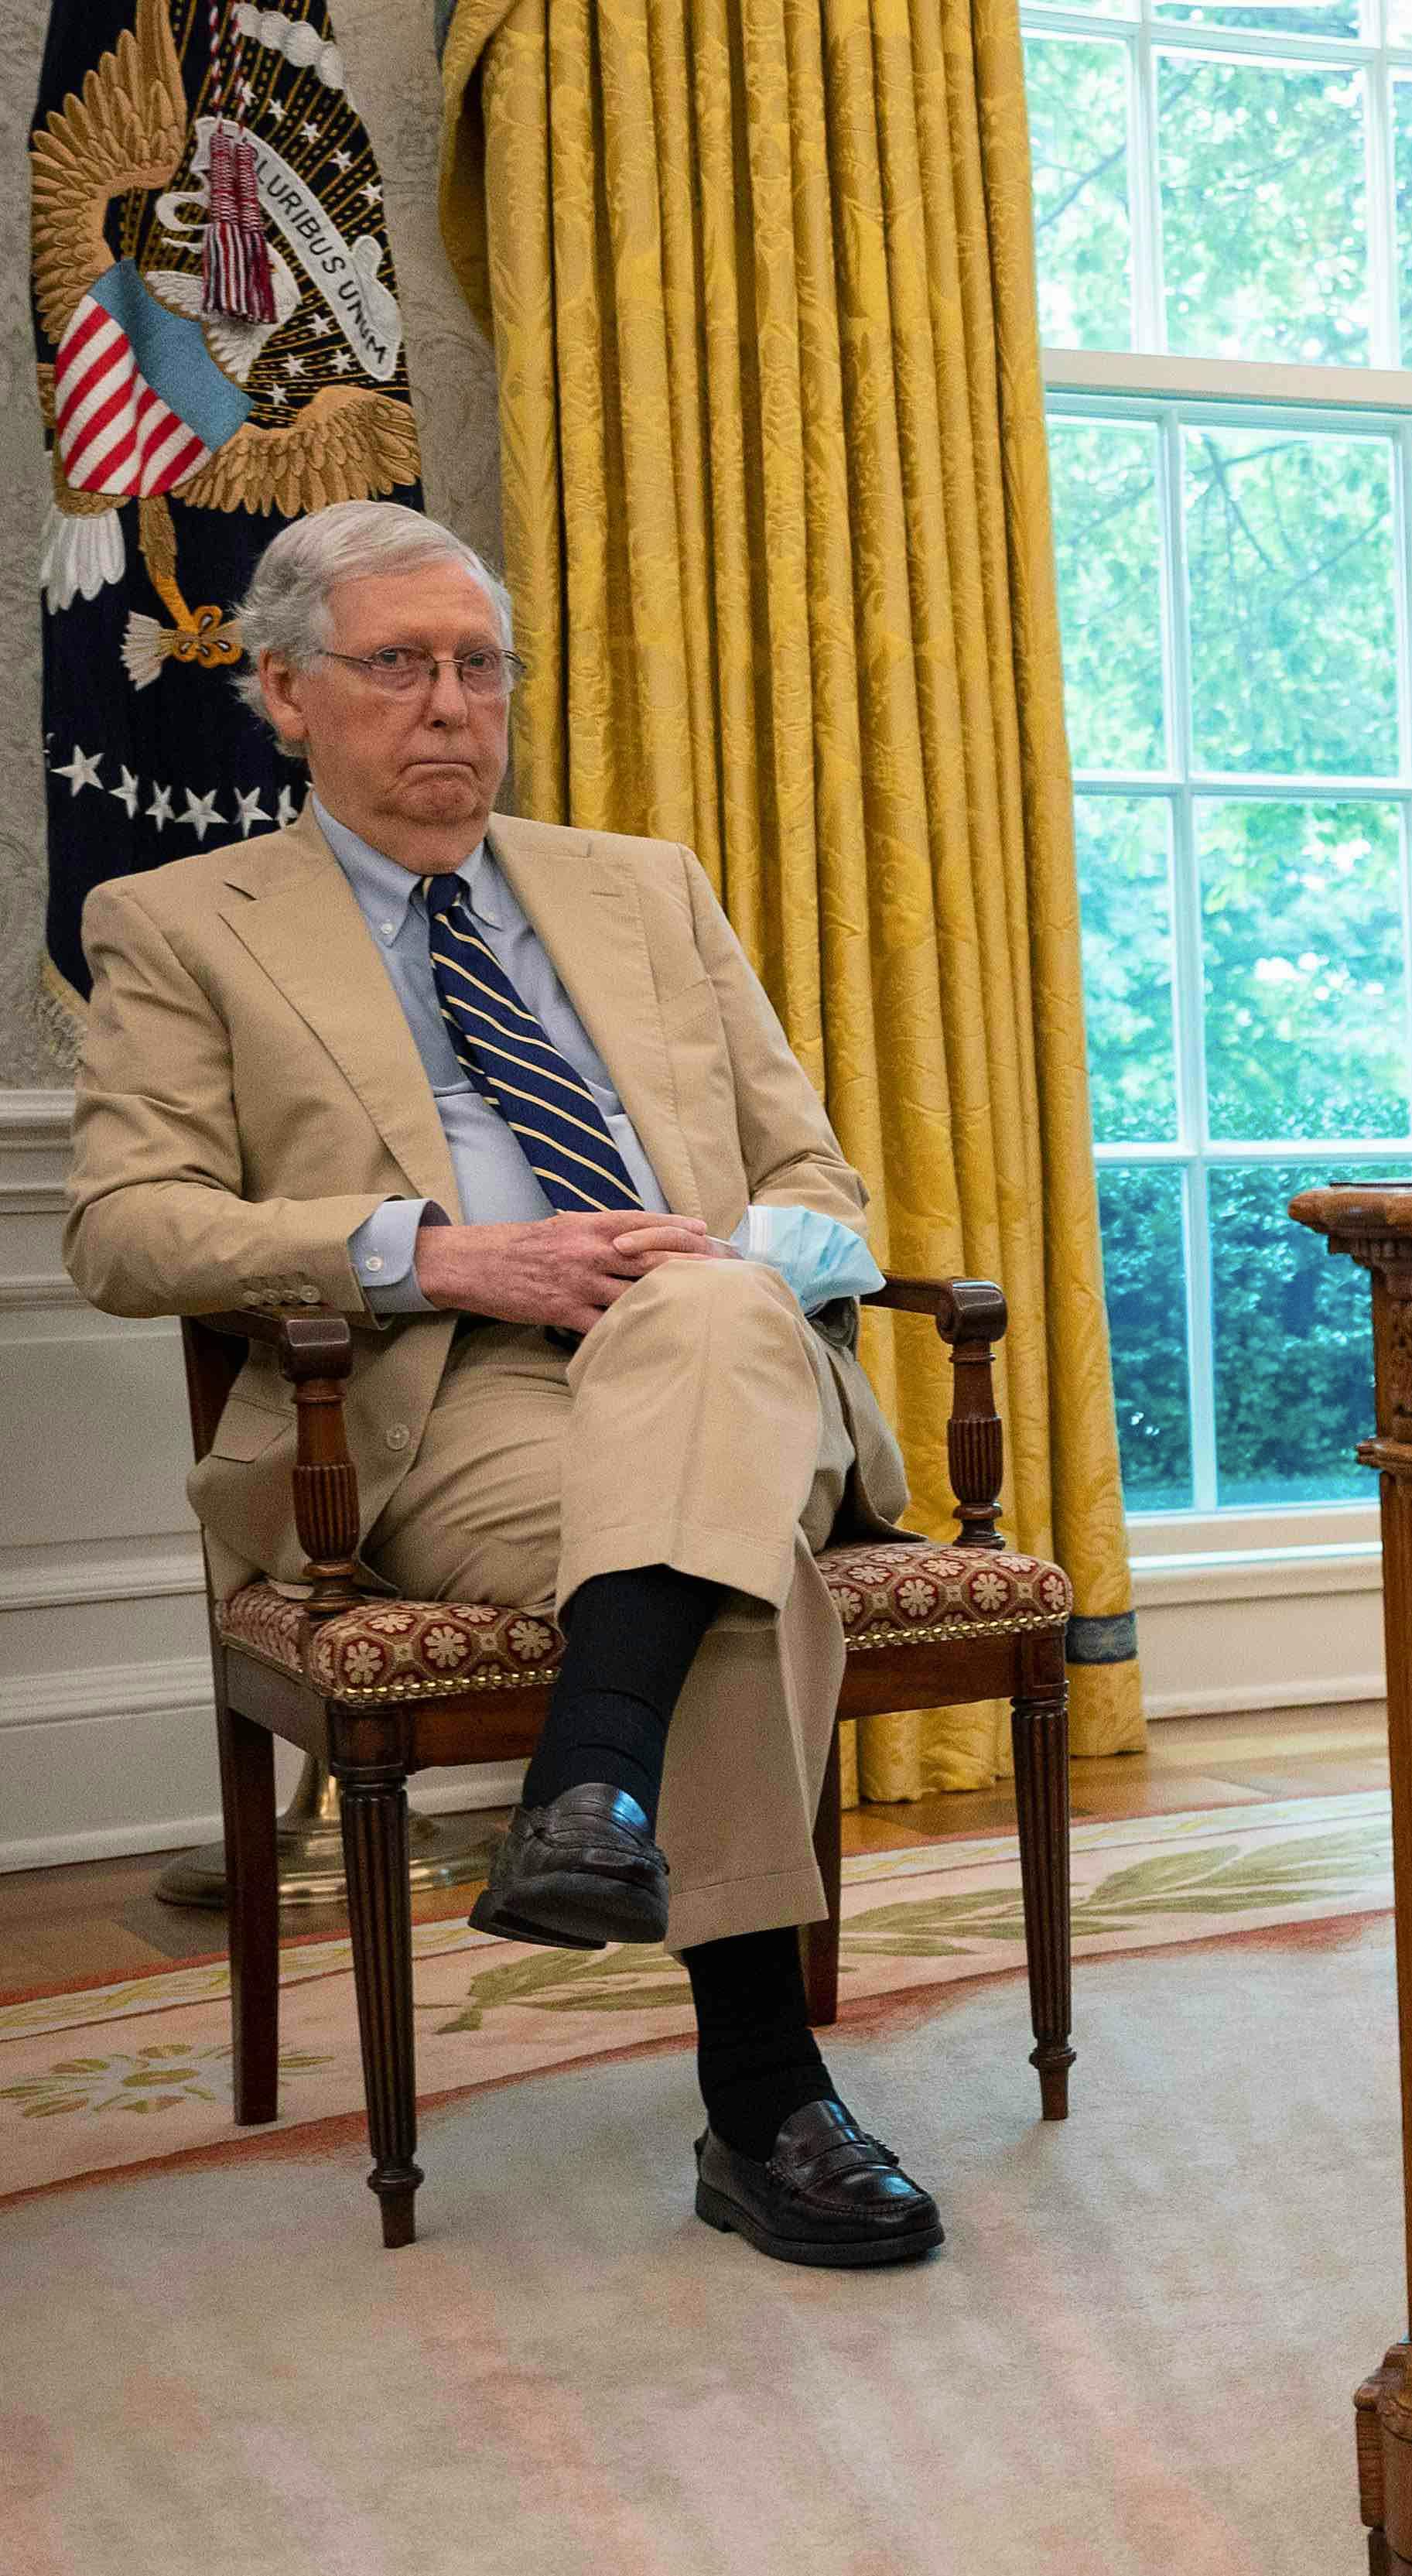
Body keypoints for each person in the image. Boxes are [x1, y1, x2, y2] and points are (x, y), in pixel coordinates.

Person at [64, 502, 946, 2267]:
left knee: (702, 1329)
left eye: (478, 665)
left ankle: (592, 1790)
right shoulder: (180, 922)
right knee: (719, 1560)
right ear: (291, 695)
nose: (449, 703)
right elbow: (125, 1227)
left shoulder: (645, 889)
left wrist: (702, 1262)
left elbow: (821, 1188)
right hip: (442, 1398)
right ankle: (767, 2095)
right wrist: (439, 1252)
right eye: (399, 664)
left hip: (716, 1351)